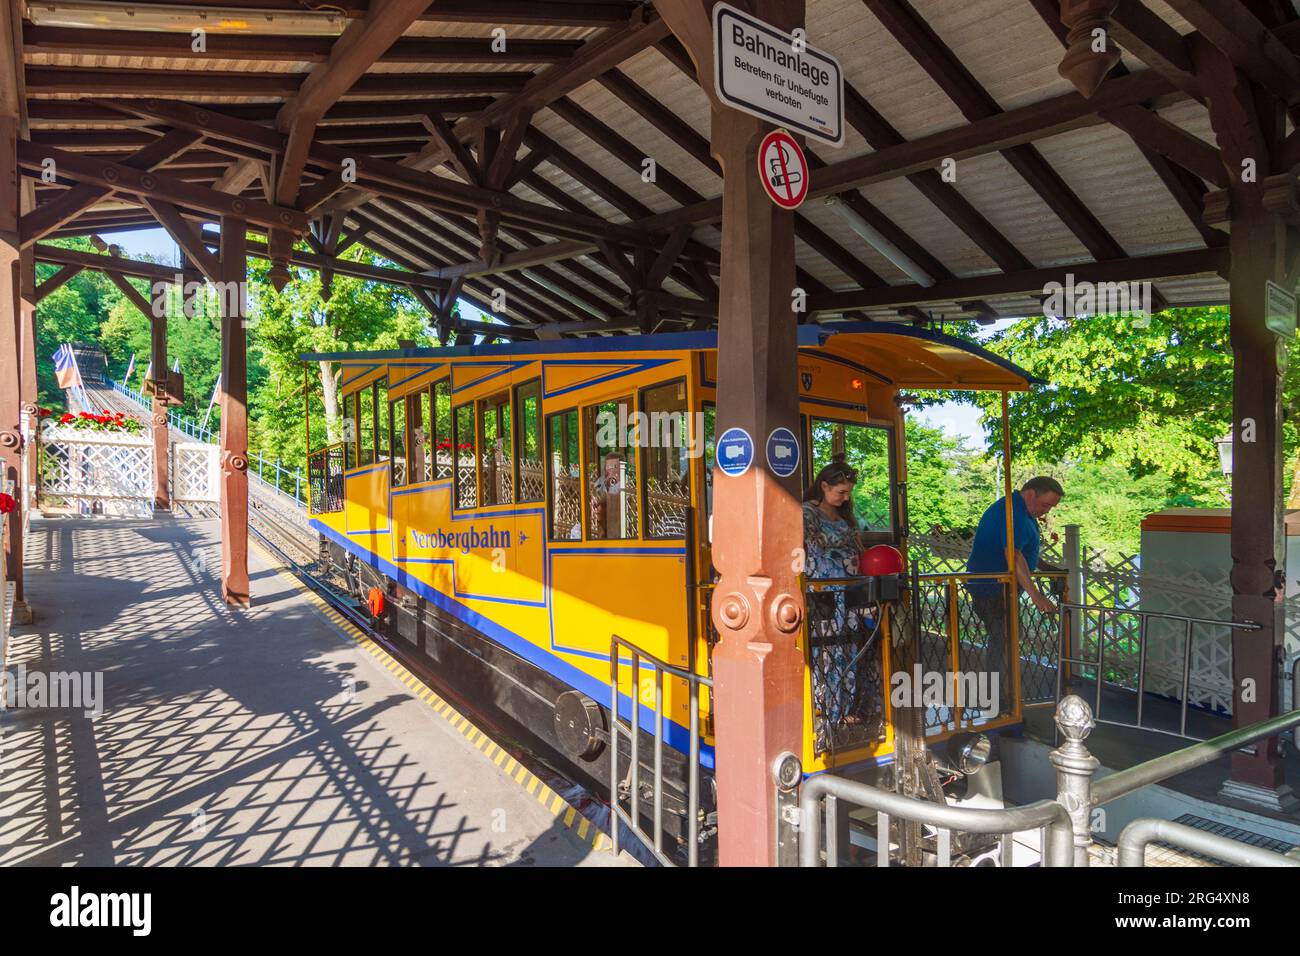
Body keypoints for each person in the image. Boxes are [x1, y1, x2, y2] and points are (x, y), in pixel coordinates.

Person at [966, 476, 1064, 713]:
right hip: (992, 589)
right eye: (1045, 505)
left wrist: (1045, 567)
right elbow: (1014, 554)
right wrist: (1036, 596)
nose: (1046, 511)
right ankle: (997, 700)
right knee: (1002, 642)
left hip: (997, 588)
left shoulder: (1020, 512)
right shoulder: (1014, 513)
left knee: (1004, 640)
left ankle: (1000, 696)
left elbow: (1025, 549)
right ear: (1030, 494)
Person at [802, 458, 873, 744]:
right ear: (824, 486)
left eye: (848, 494)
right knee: (827, 651)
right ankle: (825, 710)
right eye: (840, 492)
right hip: (825, 594)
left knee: (849, 647)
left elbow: (858, 548)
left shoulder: (846, 517)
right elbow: (812, 547)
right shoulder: (807, 513)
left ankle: (843, 708)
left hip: (850, 592)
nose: (845, 498)